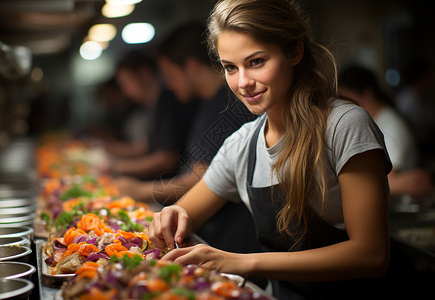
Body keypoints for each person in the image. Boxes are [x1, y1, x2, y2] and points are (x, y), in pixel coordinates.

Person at [148, 1, 393, 299]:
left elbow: (371, 255)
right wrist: (172, 214)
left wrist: (241, 262)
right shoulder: (242, 145)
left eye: (256, 62)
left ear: (294, 52)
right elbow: (184, 214)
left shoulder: (344, 125)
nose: (243, 83)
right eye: (230, 68)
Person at [116, 23, 263, 268]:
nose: (169, 85)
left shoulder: (229, 105)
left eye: (171, 75)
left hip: (232, 242)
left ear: (192, 67)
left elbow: (201, 176)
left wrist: (141, 190)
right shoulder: (205, 102)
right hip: (210, 233)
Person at [339, 65, 432, 197]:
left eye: (346, 97)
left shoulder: (391, 124)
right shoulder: (375, 120)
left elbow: (390, 180)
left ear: (367, 93)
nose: (343, 106)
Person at [106, 49, 196, 180]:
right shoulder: (153, 104)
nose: (125, 91)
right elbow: (145, 146)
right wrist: (106, 148)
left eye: (126, 83)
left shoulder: (167, 100)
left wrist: (117, 167)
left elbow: (167, 159)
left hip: (172, 184)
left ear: (144, 74)